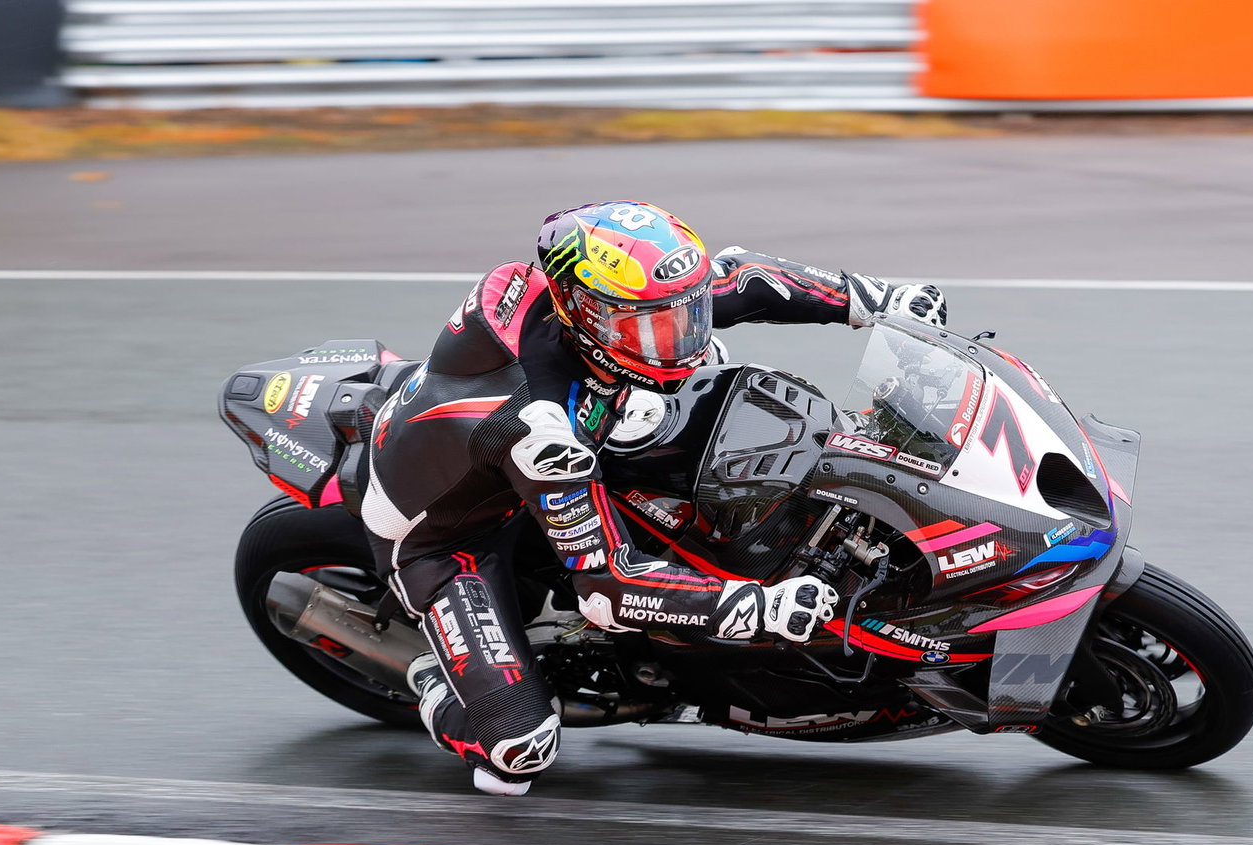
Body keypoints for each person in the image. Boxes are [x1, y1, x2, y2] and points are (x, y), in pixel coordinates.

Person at [361, 201, 947, 796]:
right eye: (652, 326)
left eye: (685, 314)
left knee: (704, 404)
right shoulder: (539, 428)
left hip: (539, 446)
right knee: (517, 751)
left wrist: (878, 301)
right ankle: (436, 678)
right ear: (586, 313)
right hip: (451, 537)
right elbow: (608, 589)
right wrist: (761, 607)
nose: (680, 338)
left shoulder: (604, 301)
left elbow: (740, 278)